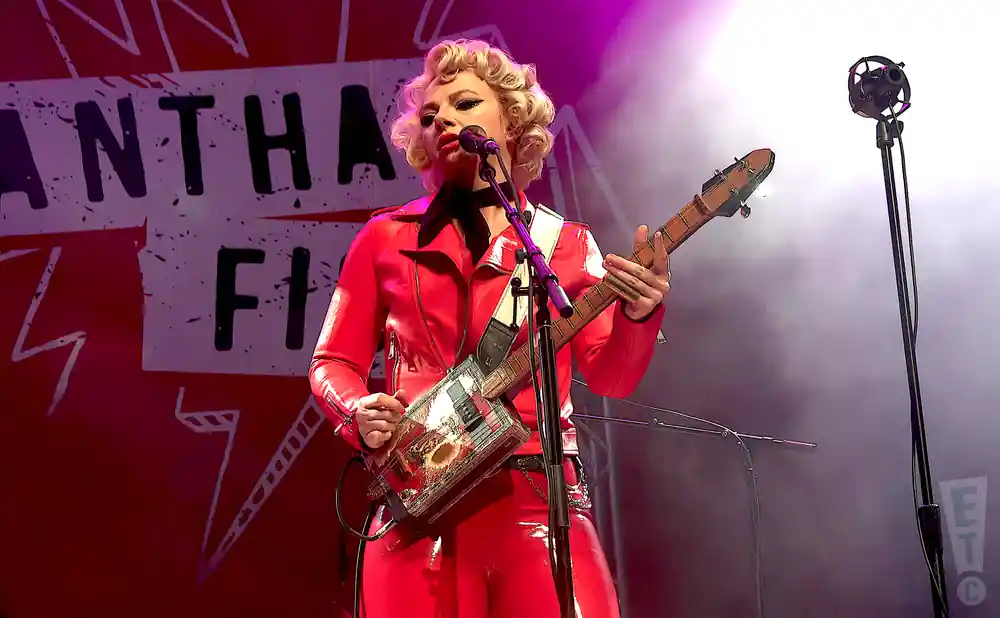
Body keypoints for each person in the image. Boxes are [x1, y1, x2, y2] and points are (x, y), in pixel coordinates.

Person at [310, 38, 669, 618]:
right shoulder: (383, 239)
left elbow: (612, 377)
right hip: (419, 507)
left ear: (513, 123)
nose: (444, 119)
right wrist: (359, 413)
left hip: (539, 504)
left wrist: (639, 314)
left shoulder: (566, 246)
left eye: (467, 104)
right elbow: (332, 363)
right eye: (430, 116)